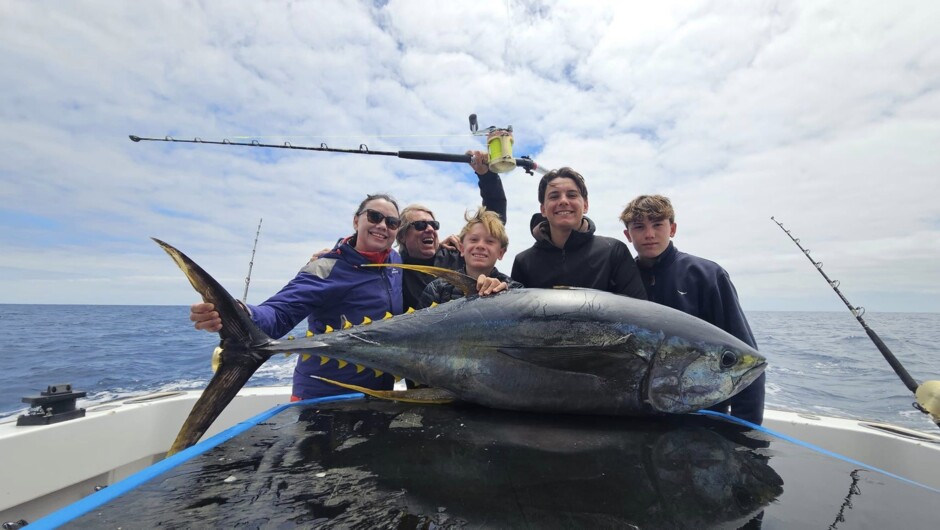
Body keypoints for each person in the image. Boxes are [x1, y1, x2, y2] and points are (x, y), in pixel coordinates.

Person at [190, 193, 404, 401]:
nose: (383, 226)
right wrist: (240, 312)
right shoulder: (324, 268)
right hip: (324, 395)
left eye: (392, 222)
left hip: (378, 393)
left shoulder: (395, 264)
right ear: (356, 221)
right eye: (375, 217)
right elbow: (279, 313)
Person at [620, 194, 765, 424]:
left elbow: (745, 361)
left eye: (658, 225)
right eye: (639, 227)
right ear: (628, 235)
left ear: (673, 229)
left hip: (701, 421)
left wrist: (745, 432)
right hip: (637, 419)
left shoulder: (707, 275)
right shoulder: (622, 279)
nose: (649, 234)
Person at [511, 167, 647, 299]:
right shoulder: (523, 263)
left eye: (572, 195)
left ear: (586, 205)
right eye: (554, 196)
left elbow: (640, 312)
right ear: (543, 209)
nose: (563, 201)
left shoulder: (614, 252)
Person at [397, 150, 508, 309]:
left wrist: (487, 176)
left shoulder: (456, 254)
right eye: (420, 225)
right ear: (401, 236)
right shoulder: (393, 268)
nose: (429, 229)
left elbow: (494, 222)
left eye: (434, 225)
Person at [420, 206, 523, 306]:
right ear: (462, 248)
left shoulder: (515, 291)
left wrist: (504, 297)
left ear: (501, 253)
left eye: (490, 241)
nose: (480, 245)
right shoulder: (436, 289)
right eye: (474, 240)